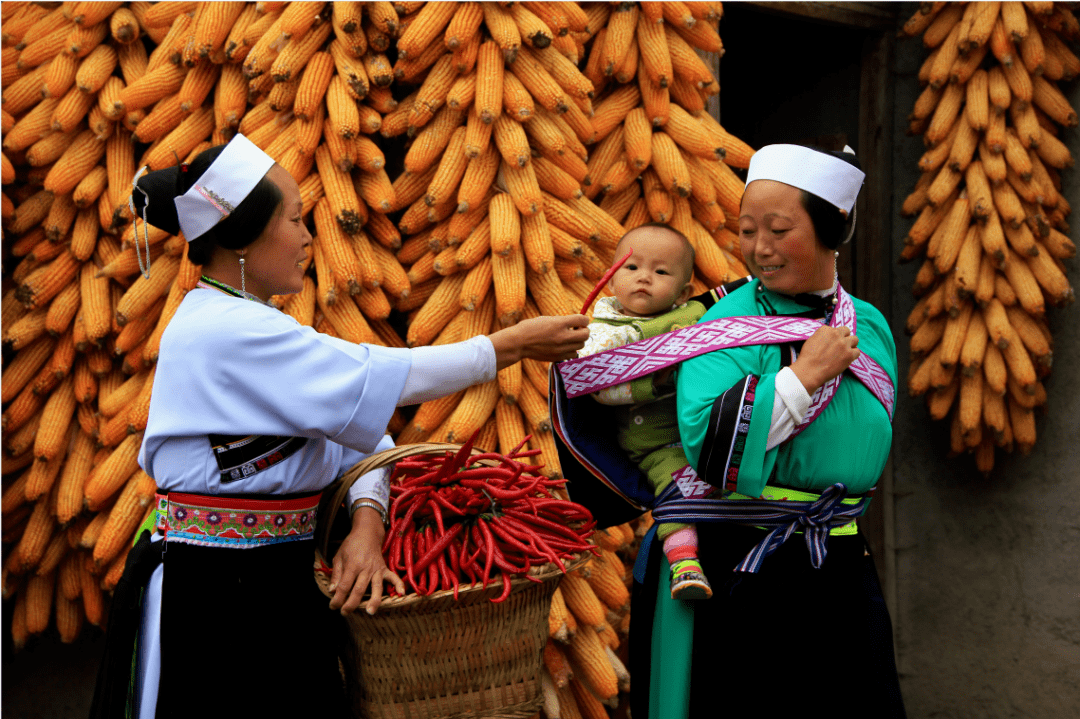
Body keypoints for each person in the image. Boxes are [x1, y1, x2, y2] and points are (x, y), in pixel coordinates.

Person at [89, 134, 589, 718]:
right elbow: (383, 379)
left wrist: (367, 525)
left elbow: (365, 437)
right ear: (244, 237)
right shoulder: (220, 329)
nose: (307, 239)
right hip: (215, 592)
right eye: (296, 220)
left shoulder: (259, 325)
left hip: (276, 581)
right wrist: (507, 347)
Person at [626, 144, 905, 717]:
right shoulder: (723, 325)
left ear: (834, 229)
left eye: (778, 229)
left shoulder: (869, 325)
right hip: (744, 568)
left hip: (840, 563)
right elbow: (709, 442)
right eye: (748, 230)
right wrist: (802, 378)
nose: (758, 248)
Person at [576, 224, 713, 600]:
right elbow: (598, 386)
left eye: (661, 272)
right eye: (632, 268)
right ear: (610, 277)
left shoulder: (694, 316)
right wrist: (655, 382)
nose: (644, 278)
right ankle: (684, 563)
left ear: (683, 292)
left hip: (702, 429)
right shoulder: (602, 330)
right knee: (676, 492)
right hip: (655, 443)